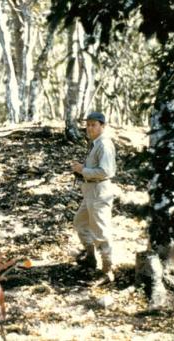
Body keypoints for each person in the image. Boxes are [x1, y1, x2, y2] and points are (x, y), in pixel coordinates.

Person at [71, 111, 116, 282]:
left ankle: (107, 271)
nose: (89, 128)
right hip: (90, 191)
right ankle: (90, 258)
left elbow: (106, 171)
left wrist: (83, 171)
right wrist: (83, 169)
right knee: (80, 222)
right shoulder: (95, 143)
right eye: (88, 124)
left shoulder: (104, 144)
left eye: (93, 125)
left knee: (101, 231)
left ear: (102, 126)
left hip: (99, 191)